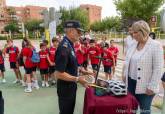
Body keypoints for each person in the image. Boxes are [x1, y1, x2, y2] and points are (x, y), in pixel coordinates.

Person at [122, 20, 164, 114]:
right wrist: (125, 75)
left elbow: (158, 68)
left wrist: (152, 86)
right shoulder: (133, 44)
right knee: (131, 108)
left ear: (143, 31)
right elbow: (127, 61)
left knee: (144, 110)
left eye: (135, 32)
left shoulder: (155, 46)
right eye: (132, 32)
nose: (133, 34)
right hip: (131, 83)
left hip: (146, 86)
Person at [55, 20, 92, 114]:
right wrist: (77, 79)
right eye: (78, 31)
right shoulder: (64, 48)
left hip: (71, 86)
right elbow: (59, 74)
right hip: (65, 89)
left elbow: (71, 63)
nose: (80, 34)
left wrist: (81, 70)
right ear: (71, 31)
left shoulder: (70, 45)